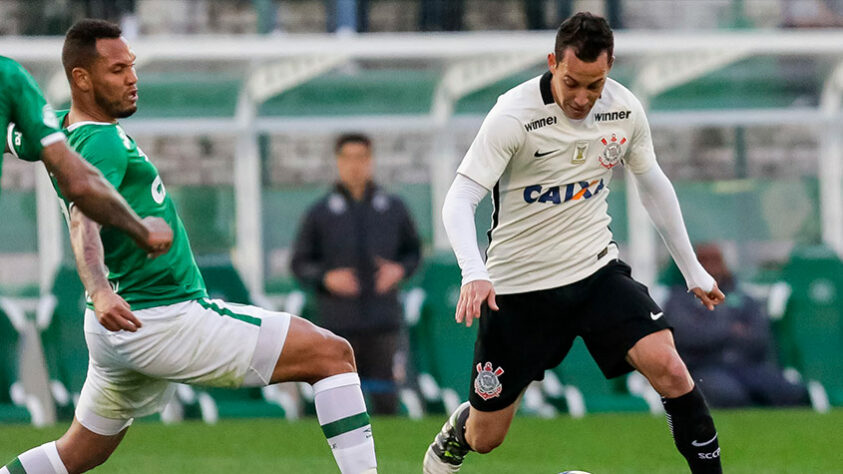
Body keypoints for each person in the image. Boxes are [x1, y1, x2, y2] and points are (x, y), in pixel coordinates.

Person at [1, 20, 377, 474]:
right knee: (331, 354)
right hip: (164, 317)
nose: (131, 78)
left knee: (77, 452)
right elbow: (84, 218)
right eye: (117, 69)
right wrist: (99, 288)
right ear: (81, 79)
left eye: (132, 66)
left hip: (117, 328)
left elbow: (19, 137)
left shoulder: (63, 131)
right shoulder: (101, 142)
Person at [422, 12, 726, 474]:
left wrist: (692, 270)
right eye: (572, 83)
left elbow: (652, 184)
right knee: (487, 437)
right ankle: (458, 432)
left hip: (595, 272)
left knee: (670, 369)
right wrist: (474, 271)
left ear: (609, 70)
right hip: (519, 291)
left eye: (595, 84)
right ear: (552, 63)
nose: (583, 97)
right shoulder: (513, 116)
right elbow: (460, 197)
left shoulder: (624, 110)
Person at [291, 133, 421, 415]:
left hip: (384, 323)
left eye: (361, 158)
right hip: (337, 324)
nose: (355, 166)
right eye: (348, 158)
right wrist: (326, 278)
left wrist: (399, 270)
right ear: (338, 162)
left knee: (386, 399)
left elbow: (414, 253)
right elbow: (299, 263)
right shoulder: (321, 212)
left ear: (370, 161)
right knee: (339, 401)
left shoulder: (392, 208)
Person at [1, 55, 172, 257]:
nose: (131, 79)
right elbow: (80, 186)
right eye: (118, 70)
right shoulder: (9, 75)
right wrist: (142, 231)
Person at [665, 243, 810, 408]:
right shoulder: (679, 300)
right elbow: (687, 336)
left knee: (792, 392)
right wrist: (729, 330)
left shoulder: (743, 297)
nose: (711, 266)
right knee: (728, 395)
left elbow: (760, 336)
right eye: (704, 261)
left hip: (747, 366)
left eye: (716, 260)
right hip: (704, 367)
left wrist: (715, 331)